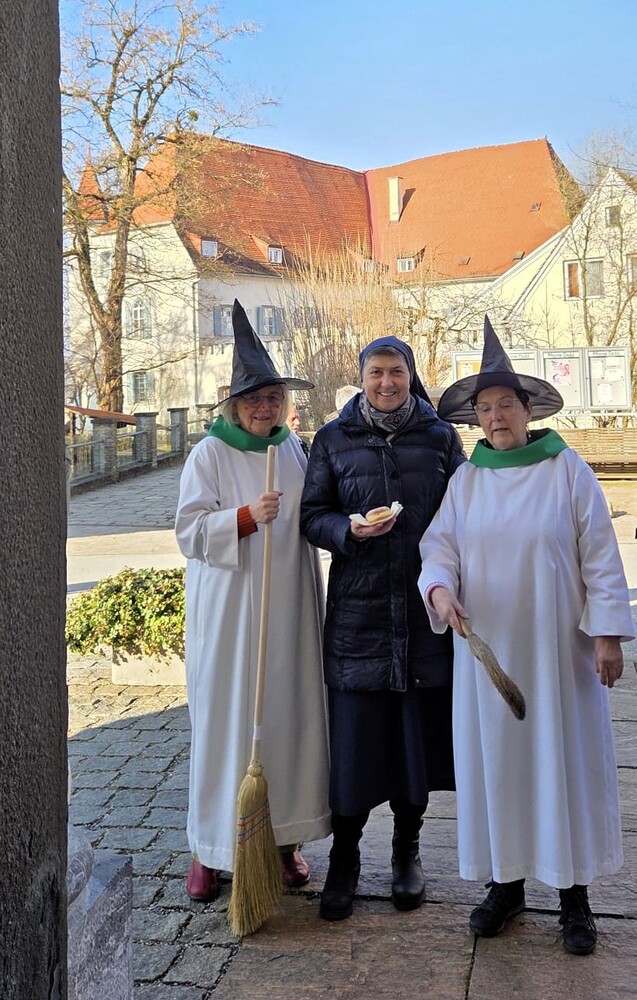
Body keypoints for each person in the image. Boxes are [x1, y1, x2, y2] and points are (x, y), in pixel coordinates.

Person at [418, 315, 634, 955]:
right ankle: (506, 886)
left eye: (504, 405)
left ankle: (574, 898)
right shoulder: (467, 481)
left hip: (557, 655)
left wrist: (608, 634)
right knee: (500, 768)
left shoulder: (567, 471)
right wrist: (440, 588)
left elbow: (600, 556)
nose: (495, 418)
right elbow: (438, 548)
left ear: (527, 409)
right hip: (491, 662)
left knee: (561, 766)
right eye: (484, 409)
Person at [300, 336, 465, 920]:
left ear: (410, 375)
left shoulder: (440, 437)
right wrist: (346, 531)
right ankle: (345, 859)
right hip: (360, 613)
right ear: (362, 377)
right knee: (355, 744)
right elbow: (311, 515)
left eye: (396, 372)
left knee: (414, 740)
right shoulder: (333, 438)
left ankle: (405, 852)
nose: (387, 382)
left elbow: (467, 510)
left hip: (422, 613)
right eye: (376, 373)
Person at [176, 299, 331, 902]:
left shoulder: (292, 450)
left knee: (287, 725)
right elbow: (189, 532)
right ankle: (211, 849)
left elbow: (312, 514)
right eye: (253, 399)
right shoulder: (209, 455)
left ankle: (283, 842)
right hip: (230, 618)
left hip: (287, 613)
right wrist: (243, 517)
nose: (264, 408)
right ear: (234, 405)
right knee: (226, 728)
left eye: (272, 398)